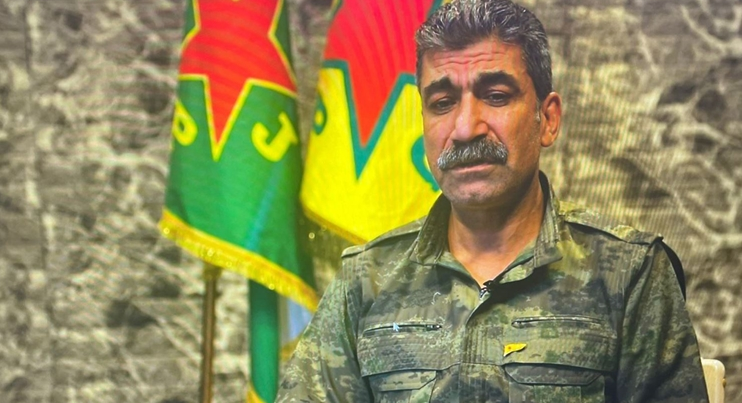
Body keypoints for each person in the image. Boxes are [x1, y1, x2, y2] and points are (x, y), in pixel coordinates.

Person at [275, 0, 709, 401]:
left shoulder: (628, 274)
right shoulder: (365, 279)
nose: (466, 128)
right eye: (442, 102)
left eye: (496, 96)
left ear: (548, 119)